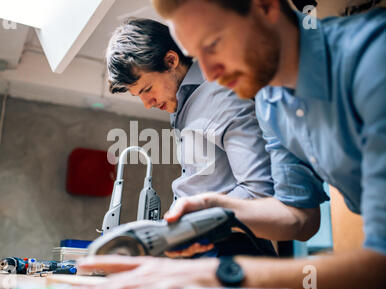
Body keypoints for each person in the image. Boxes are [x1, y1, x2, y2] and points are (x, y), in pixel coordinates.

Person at [73, 0, 386, 289]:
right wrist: (211, 208)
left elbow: (378, 265)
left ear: (264, 7)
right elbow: (299, 217)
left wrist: (221, 273)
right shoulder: (271, 103)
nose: (208, 75)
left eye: (213, 45)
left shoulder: (374, 57)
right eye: (197, 54)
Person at [105, 18, 281, 257]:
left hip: (232, 249)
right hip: (201, 245)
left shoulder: (222, 95)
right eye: (139, 96)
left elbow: (259, 191)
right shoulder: (182, 106)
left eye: (147, 90)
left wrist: (193, 224)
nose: (146, 104)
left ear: (171, 61)